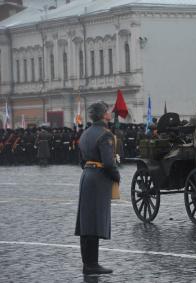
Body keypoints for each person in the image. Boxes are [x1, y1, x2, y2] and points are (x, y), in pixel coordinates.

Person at [74, 101, 120, 275]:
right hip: (98, 178)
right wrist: (116, 175)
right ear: (103, 115)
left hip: (86, 176)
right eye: (108, 110)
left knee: (86, 222)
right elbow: (108, 163)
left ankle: (88, 263)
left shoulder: (85, 133)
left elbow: (81, 161)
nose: (110, 112)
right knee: (94, 222)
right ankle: (92, 265)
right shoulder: (105, 134)